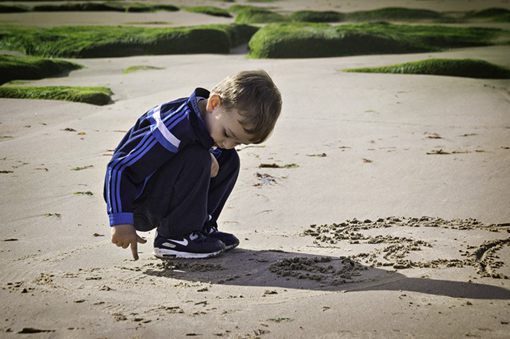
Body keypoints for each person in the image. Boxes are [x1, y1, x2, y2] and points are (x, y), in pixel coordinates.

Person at [103, 70, 282, 260]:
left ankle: (200, 228)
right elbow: (120, 168)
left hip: (165, 192)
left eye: (238, 142)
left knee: (228, 159)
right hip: (136, 203)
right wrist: (121, 222)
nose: (229, 144)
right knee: (197, 157)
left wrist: (209, 151)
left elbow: (205, 147)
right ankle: (175, 237)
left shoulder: (204, 121)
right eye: (228, 134)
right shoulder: (172, 128)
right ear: (214, 104)